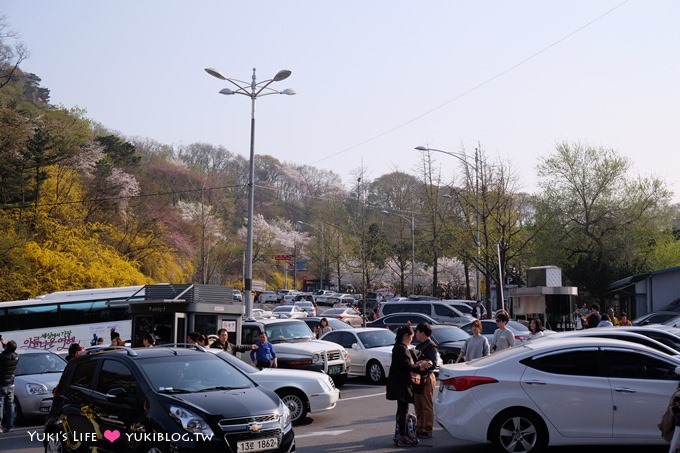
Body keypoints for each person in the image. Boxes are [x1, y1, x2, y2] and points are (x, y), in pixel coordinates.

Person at [386, 326, 430, 447]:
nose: (412, 339)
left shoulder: (402, 348)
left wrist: (419, 364)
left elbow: (409, 364)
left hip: (401, 383)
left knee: (402, 410)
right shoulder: (400, 349)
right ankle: (402, 435)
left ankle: (401, 434)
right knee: (403, 410)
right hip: (400, 384)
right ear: (405, 336)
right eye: (411, 337)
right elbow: (406, 366)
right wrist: (420, 366)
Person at [413, 323, 438, 439]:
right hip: (418, 378)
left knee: (426, 404)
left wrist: (425, 363)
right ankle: (419, 426)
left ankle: (427, 429)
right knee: (418, 403)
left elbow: (433, 363)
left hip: (427, 377)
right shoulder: (419, 346)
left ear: (422, 333)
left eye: (417, 332)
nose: (415, 334)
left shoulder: (430, 346)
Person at [0, 339, 19, 433]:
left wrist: (4, 345)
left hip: (1, 384)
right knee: (10, 405)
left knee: (0, 405)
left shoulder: (2, 357)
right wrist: (3, 343)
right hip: (11, 384)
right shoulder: (16, 356)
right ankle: (10, 426)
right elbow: (8, 351)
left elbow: (4, 354)